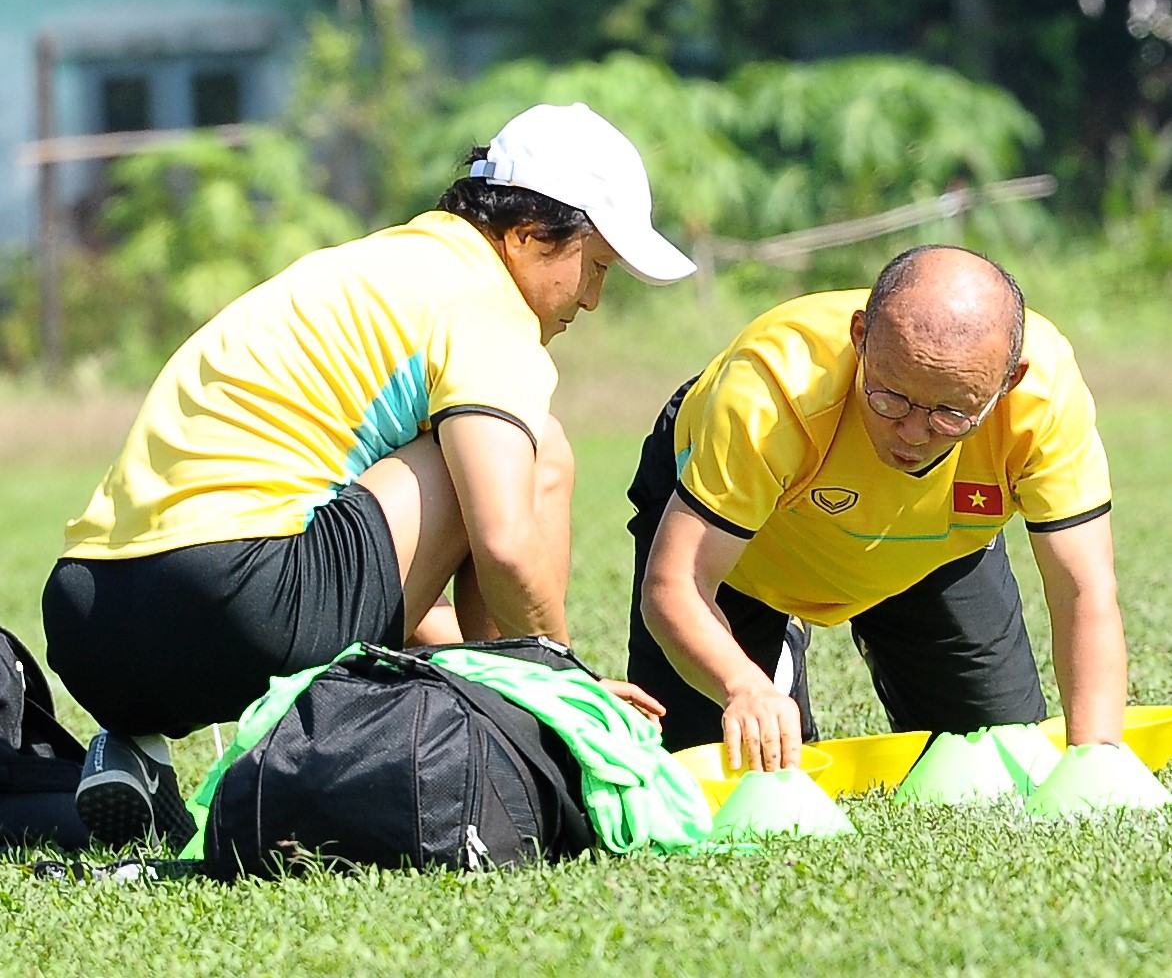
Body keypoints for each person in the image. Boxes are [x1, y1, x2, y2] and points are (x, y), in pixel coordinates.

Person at [42, 101, 695, 849]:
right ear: (526, 234)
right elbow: (505, 542)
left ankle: (136, 752)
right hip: (238, 600)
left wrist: (458, 654)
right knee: (537, 448)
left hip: (89, 624)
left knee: (440, 475)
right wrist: (566, 690)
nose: (592, 299)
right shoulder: (485, 306)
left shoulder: (368, 268)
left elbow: (366, 542)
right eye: (597, 265)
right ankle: (508, 724)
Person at [625, 244, 1128, 771]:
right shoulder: (771, 390)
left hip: (928, 551)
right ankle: (777, 645)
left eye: (952, 415)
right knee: (700, 772)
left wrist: (1096, 759)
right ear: (860, 336)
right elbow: (676, 584)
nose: (912, 434)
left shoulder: (1046, 398)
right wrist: (743, 684)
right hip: (746, 562)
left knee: (997, 760)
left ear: (1009, 381)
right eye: (889, 398)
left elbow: (1083, 588)